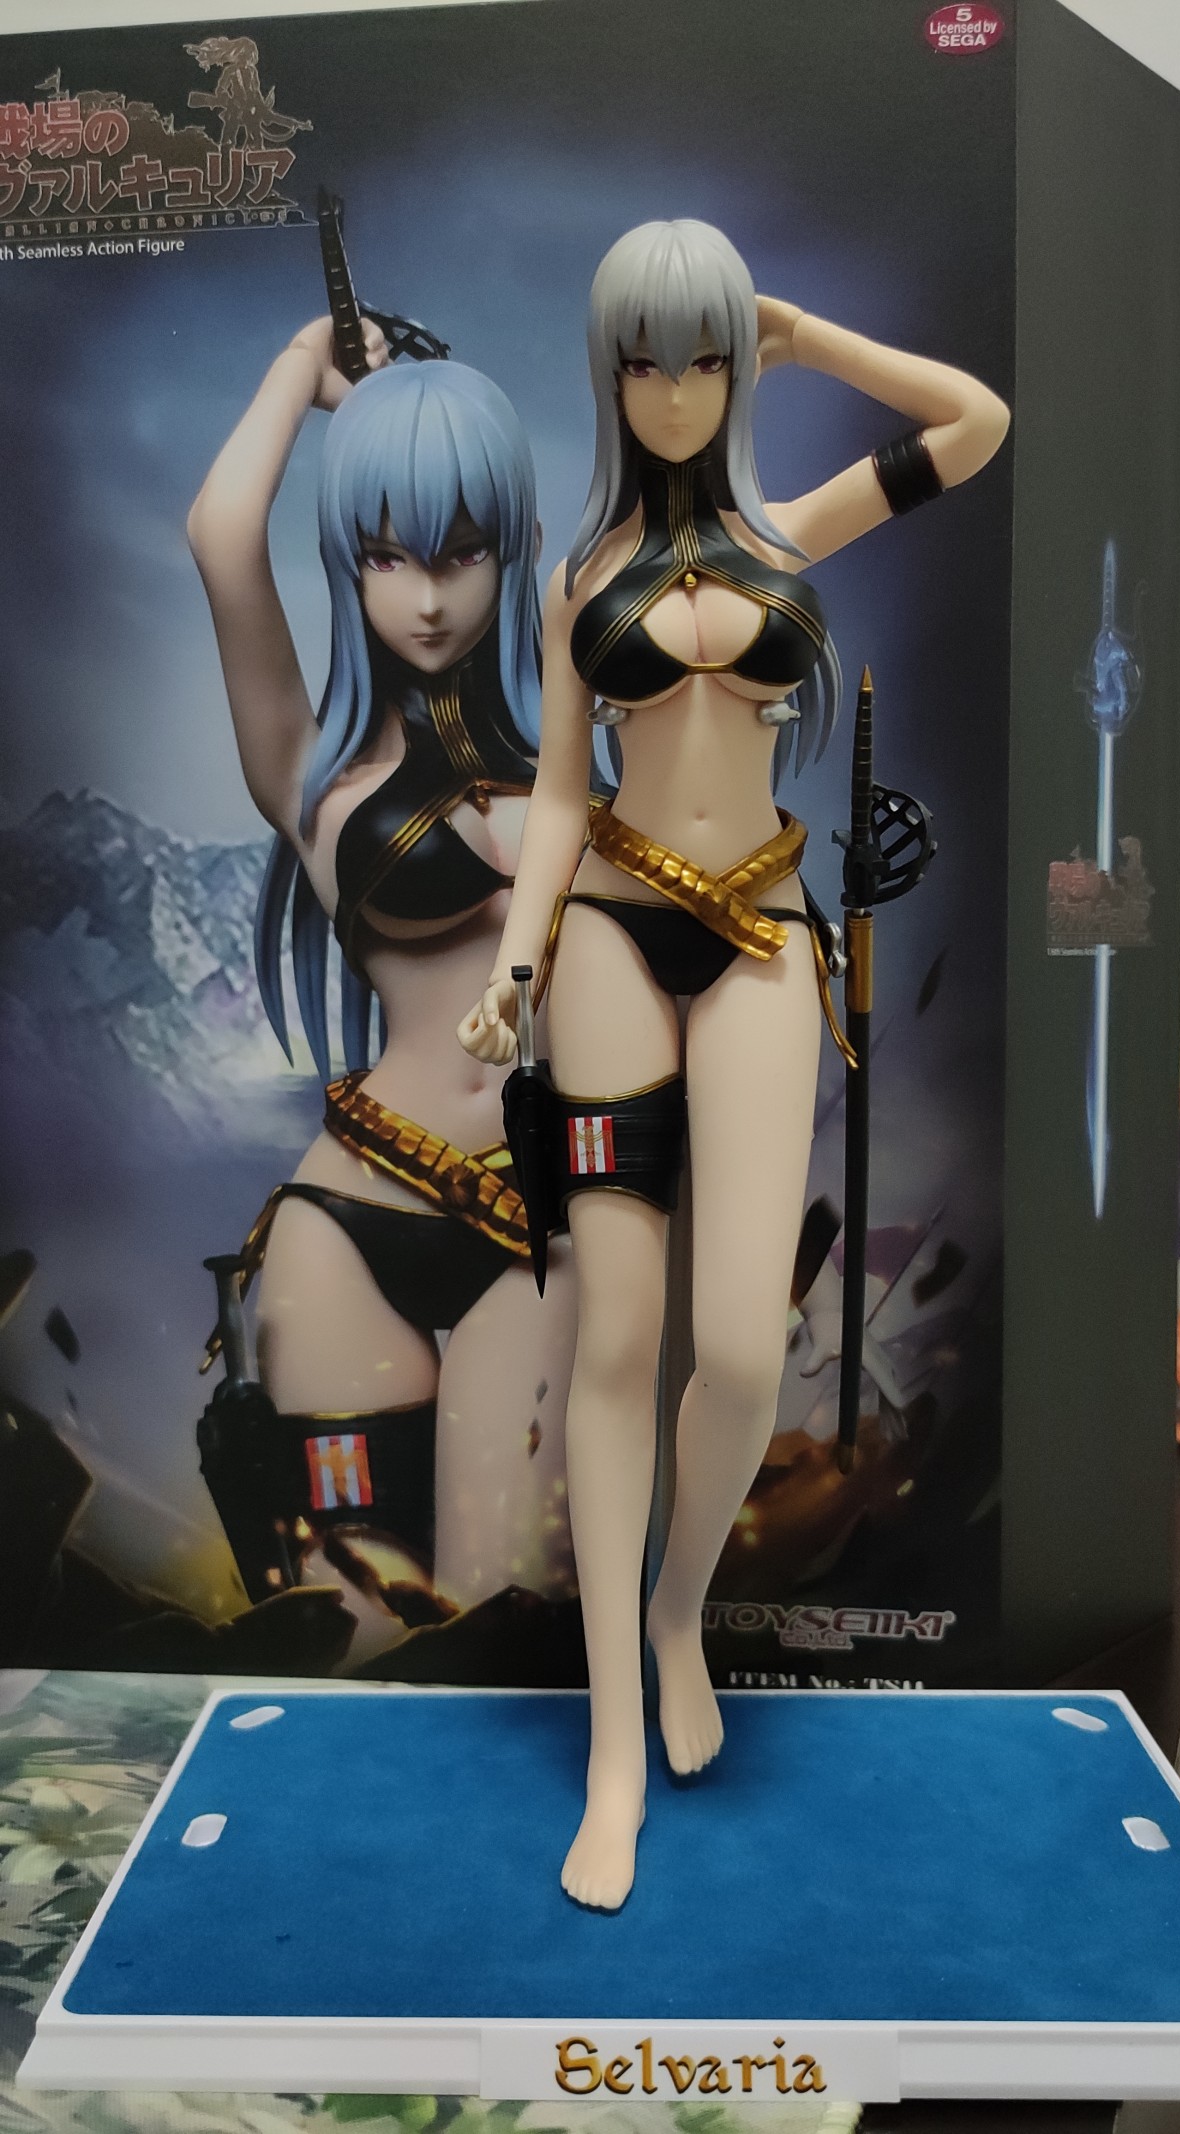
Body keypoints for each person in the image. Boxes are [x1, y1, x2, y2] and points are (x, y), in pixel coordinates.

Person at [459, 219, 1008, 1906]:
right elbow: (561, 792)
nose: (682, 391)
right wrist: (516, 963)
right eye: (651, 360)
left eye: (708, 356)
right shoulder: (578, 581)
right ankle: (614, 1743)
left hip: (766, 934)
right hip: (615, 940)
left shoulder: (790, 531)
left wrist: (810, 333)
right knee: (618, 1339)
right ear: (610, 373)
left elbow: (976, 422)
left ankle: (681, 1610)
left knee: (743, 1356)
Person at [189, 320, 576, 1623]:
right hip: (345, 1221)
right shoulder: (313, 777)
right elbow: (220, 535)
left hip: (541, 1230)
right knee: (359, 1626)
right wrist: (307, 363)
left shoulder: (590, 753)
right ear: (345, 562)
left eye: (462, 551)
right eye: (385, 554)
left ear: (514, 546)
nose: (427, 597)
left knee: (497, 1615)